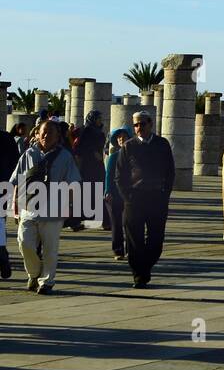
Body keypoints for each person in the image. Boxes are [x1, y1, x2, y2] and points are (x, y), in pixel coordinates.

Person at [10, 120, 82, 292]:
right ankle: (34, 273)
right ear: (37, 133)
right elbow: (17, 182)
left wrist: (69, 204)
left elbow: (73, 183)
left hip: (53, 209)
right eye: (43, 131)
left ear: (58, 136)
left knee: (50, 249)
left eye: (50, 132)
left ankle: (46, 282)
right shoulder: (28, 154)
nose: (46, 135)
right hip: (28, 208)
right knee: (24, 243)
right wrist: (14, 206)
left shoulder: (65, 157)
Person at [114, 111, 175, 288]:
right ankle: (139, 276)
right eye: (136, 125)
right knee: (134, 241)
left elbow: (170, 172)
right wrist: (128, 197)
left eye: (142, 124)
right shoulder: (128, 146)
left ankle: (145, 267)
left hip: (157, 198)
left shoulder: (162, 144)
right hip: (134, 200)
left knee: (156, 241)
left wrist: (165, 195)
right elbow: (119, 176)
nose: (139, 128)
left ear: (151, 124)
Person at [69, 110, 107, 232]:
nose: (100, 120)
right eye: (98, 118)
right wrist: (92, 152)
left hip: (97, 166)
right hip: (87, 166)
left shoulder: (98, 131)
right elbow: (79, 148)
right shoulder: (86, 131)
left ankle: (93, 219)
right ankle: (77, 220)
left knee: (96, 191)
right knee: (85, 192)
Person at [103, 127, 130, 260]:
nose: (121, 139)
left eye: (124, 137)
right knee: (116, 224)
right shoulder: (114, 156)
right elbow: (108, 175)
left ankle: (131, 249)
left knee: (129, 223)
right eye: (119, 137)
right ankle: (118, 250)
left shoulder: (133, 156)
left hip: (129, 195)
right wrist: (107, 191)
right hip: (114, 194)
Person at [0, 123, 19, 279]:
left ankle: (2, 257)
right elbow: (15, 164)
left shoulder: (6, 138)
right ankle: (2, 256)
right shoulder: (7, 138)